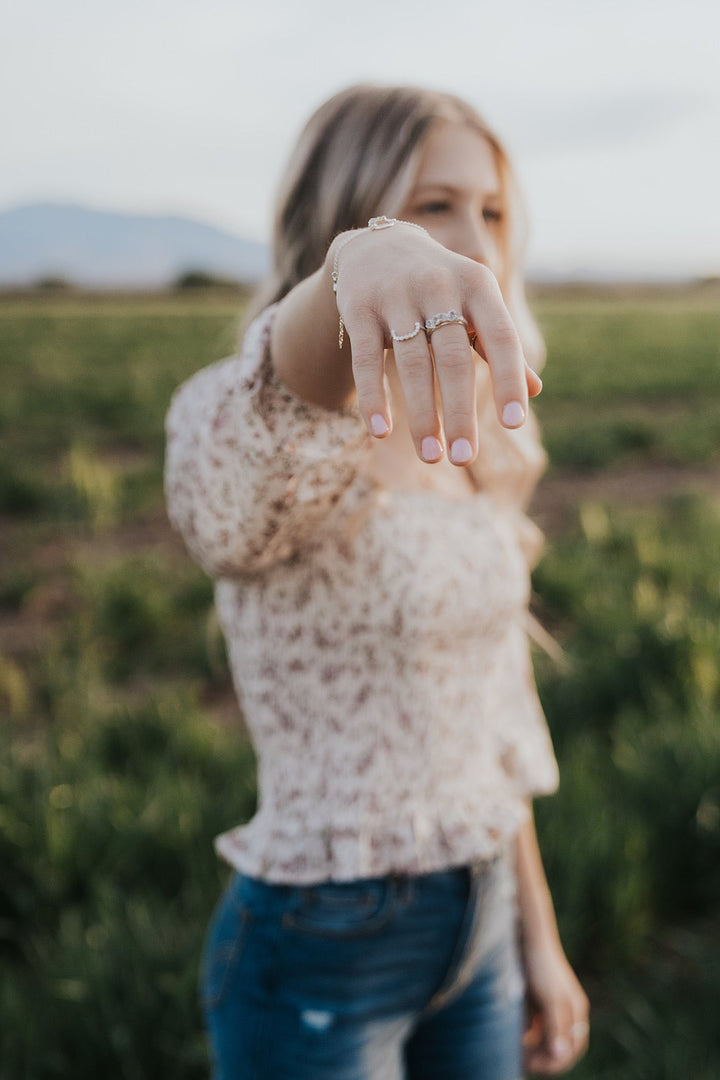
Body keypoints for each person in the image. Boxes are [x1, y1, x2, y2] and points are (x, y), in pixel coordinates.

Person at [165, 84, 590, 1080]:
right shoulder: (277, 430)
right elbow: (223, 505)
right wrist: (354, 269)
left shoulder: (473, 432)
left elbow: (491, 706)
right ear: (345, 208)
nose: (471, 240)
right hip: (320, 949)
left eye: (489, 211)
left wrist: (539, 937)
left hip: (479, 928)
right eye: (432, 205)